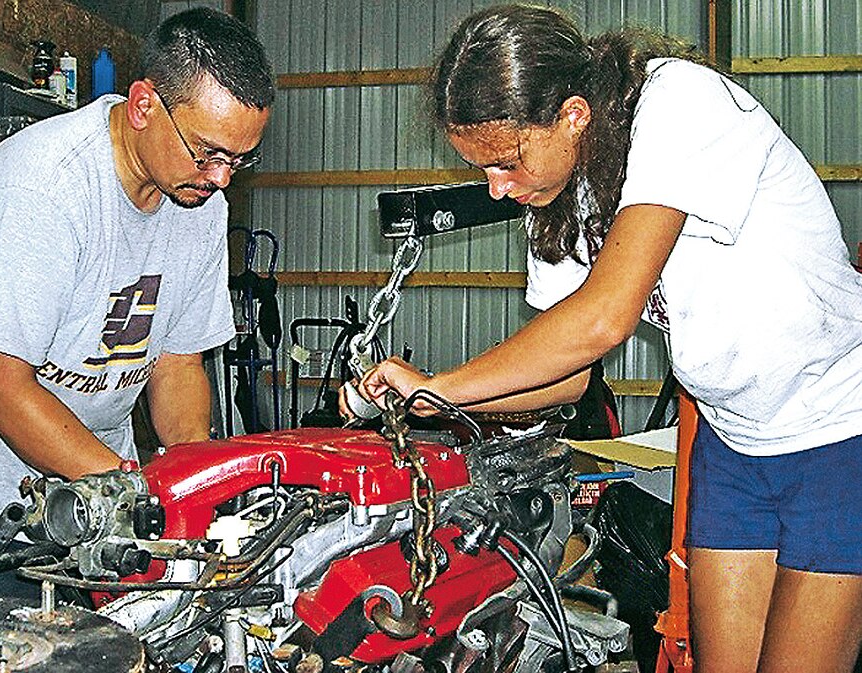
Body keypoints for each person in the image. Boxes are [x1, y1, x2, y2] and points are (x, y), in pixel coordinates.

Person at [352, 5, 862, 672]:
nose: (498, 190)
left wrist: (444, 385)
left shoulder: (679, 101)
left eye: (506, 163)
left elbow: (603, 319)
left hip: (838, 434)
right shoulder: (561, 192)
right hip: (733, 442)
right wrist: (433, 399)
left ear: (572, 115)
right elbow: (567, 376)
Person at [0, 7, 274, 602]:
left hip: (98, 486)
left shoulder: (199, 205)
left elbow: (177, 367)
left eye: (239, 159)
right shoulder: (43, 188)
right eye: (207, 153)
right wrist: (137, 495)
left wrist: (193, 490)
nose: (222, 178)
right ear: (144, 105)